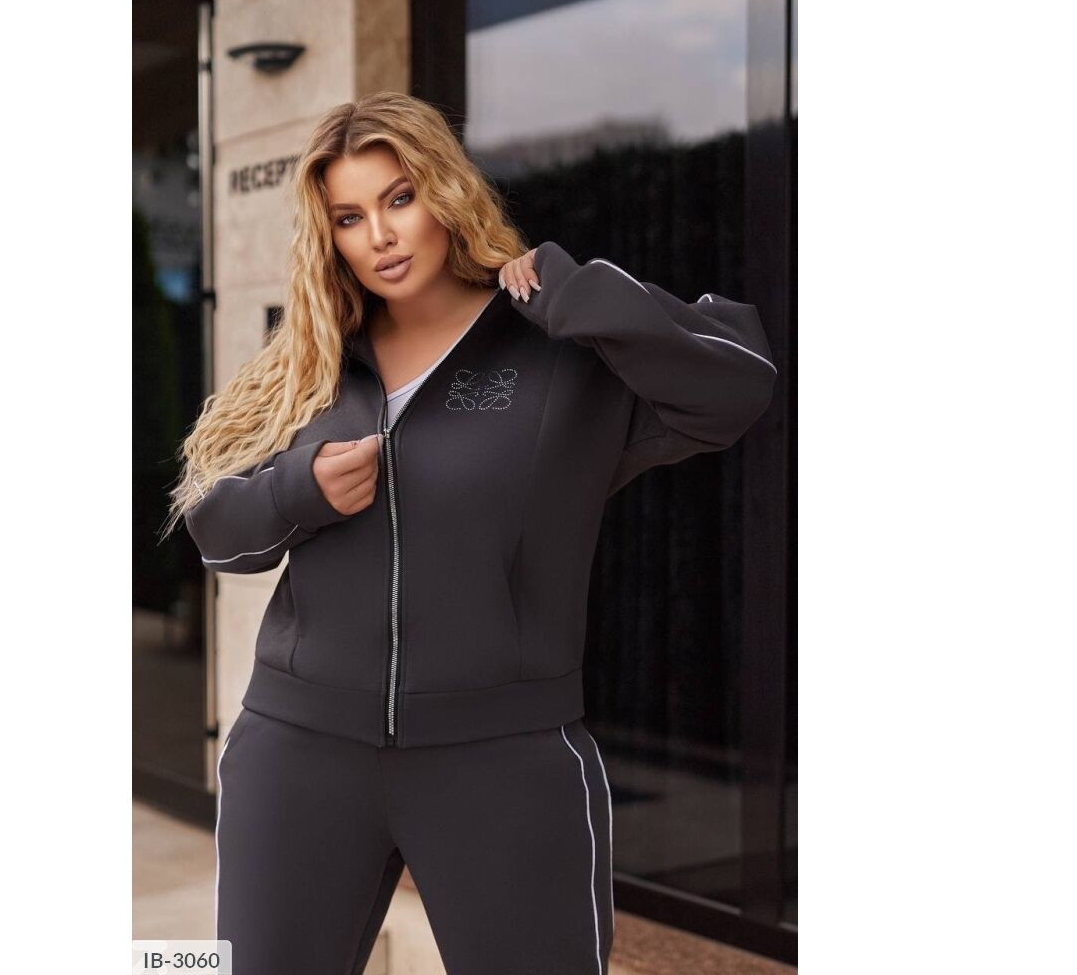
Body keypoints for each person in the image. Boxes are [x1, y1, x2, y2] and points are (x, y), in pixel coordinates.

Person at [160, 91, 777, 975]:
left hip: (503, 760)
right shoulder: (309, 362)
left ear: (444, 192)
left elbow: (736, 387)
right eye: (349, 217)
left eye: (399, 198)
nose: (380, 235)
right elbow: (218, 535)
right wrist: (303, 489)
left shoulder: (560, 354)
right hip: (297, 753)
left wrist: (581, 294)